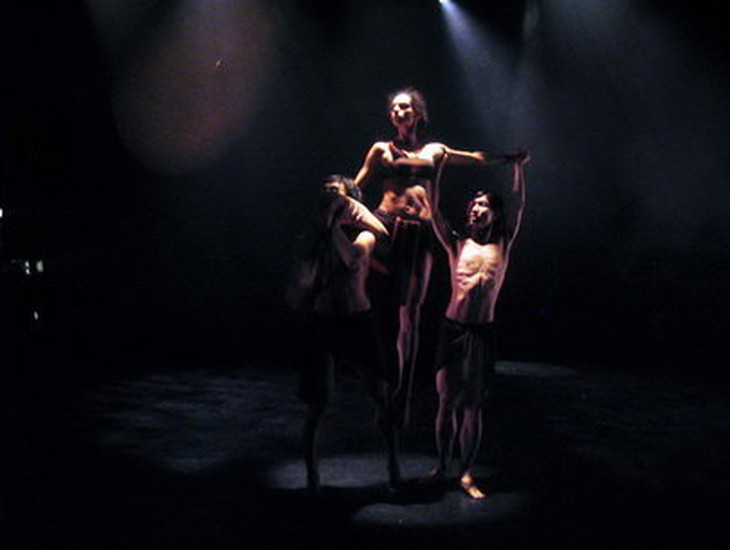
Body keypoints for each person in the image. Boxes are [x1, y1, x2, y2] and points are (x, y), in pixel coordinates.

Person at [353, 87, 521, 428]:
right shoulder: (381, 149)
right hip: (386, 226)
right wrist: (340, 199)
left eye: (405, 107)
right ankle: (379, 384)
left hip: (419, 233)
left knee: (411, 314)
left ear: (418, 113)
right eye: (394, 108)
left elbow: (474, 158)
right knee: (380, 307)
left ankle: (402, 392)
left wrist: (509, 159)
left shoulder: (436, 151)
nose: (398, 112)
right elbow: (356, 188)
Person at [287, 174, 401, 494]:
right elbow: (301, 269)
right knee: (317, 404)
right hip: (323, 321)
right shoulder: (314, 236)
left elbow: (352, 261)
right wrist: (321, 228)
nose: (329, 198)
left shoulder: (364, 235)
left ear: (349, 202)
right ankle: (312, 478)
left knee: (380, 396)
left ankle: (393, 465)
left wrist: (333, 223)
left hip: (357, 320)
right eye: (326, 193)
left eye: (336, 194)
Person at [428, 150, 530, 499]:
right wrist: (437, 169)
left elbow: (517, 205)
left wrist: (516, 168)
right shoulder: (457, 243)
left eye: (483, 205)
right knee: (446, 402)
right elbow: (434, 210)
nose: (475, 209)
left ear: (494, 213)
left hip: (482, 334)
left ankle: (466, 473)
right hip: (453, 330)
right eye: (473, 205)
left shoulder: (503, 242)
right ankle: (442, 465)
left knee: (472, 407)